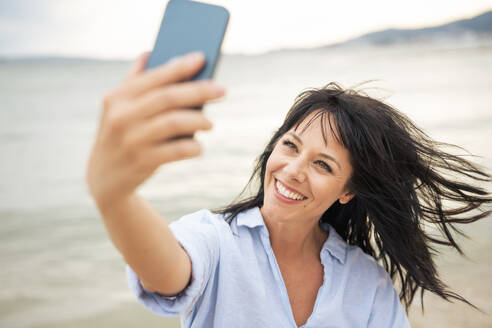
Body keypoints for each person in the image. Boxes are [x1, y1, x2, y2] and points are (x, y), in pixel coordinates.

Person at [86, 51, 491, 328]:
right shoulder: (215, 241)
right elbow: (165, 274)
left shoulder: (365, 283)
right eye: (290, 145)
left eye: (322, 164)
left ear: (348, 190)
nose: (293, 170)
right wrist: (115, 196)